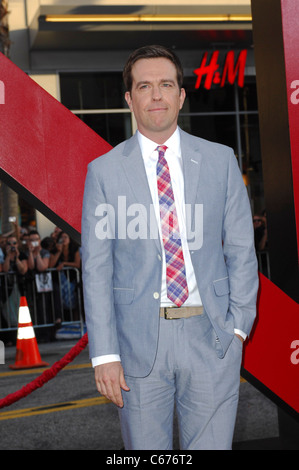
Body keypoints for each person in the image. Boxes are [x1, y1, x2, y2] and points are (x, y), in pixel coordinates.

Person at [81, 45, 259, 450]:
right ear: (130, 99)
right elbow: (96, 268)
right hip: (136, 344)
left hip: (212, 337)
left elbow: (241, 251)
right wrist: (104, 353)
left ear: (181, 95)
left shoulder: (220, 160)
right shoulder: (104, 172)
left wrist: (238, 328)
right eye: (145, 86)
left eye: (166, 85)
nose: (156, 95)